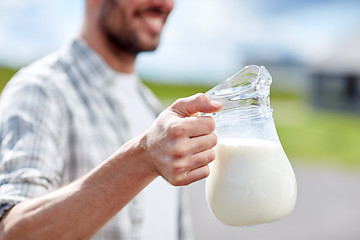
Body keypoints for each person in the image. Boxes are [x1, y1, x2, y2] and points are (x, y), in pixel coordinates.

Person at [0, 0, 223, 239]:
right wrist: (142, 158)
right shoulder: (41, 91)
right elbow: (14, 232)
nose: (164, 4)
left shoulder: (151, 106)